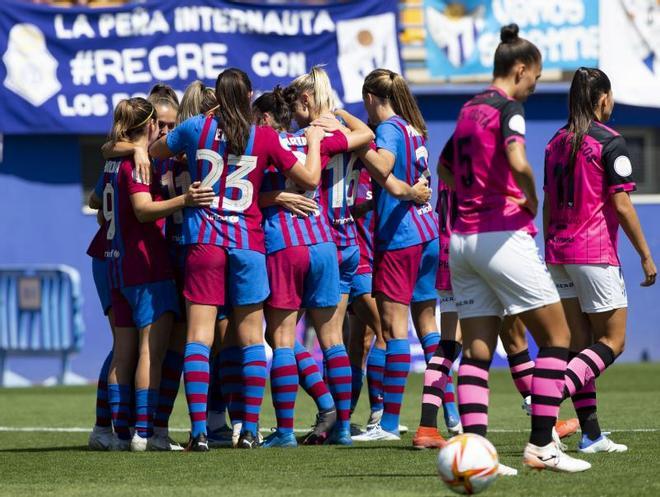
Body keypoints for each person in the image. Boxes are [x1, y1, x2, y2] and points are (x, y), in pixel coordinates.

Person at [440, 24, 593, 473]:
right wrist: (528, 195)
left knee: (478, 350)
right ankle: (542, 446)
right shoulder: (508, 108)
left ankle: (476, 456)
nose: (535, 85)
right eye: (536, 77)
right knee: (558, 336)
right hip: (501, 235)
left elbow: (446, 166)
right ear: (520, 69)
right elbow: (518, 160)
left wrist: (472, 198)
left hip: (461, 241)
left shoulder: (469, 109)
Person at [149, 68, 325, 450]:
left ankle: (199, 433)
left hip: (204, 241)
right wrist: (312, 142)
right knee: (249, 340)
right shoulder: (263, 135)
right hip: (248, 243)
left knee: (198, 337)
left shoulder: (195, 127)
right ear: (248, 99)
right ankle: (249, 428)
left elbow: (155, 151)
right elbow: (310, 180)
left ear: (217, 97)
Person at [89, 97, 214, 451]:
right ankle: (145, 433)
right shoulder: (135, 162)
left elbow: (97, 206)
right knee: (150, 353)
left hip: (117, 265)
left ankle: (118, 434)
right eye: (160, 125)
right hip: (145, 264)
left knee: (123, 353)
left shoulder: (116, 161)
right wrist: (185, 200)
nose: (166, 131)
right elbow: (143, 210)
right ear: (148, 126)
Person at [544, 67, 656, 453]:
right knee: (613, 340)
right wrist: (645, 255)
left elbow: (547, 203)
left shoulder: (555, 142)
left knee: (581, 346)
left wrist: (548, 249)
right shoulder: (609, 141)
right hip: (593, 253)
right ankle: (549, 394)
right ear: (603, 98)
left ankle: (591, 435)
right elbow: (622, 205)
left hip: (558, 251)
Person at [255, 81, 373, 446]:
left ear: (263, 117)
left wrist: (273, 195)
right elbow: (365, 134)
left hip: (284, 245)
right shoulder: (314, 139)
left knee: (283, 340)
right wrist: (332, 118)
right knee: (333, 339)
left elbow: (239, 192)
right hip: (323, 242)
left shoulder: (261, 143)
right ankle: (341, 428)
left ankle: (286, 432)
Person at [352, 67, 439, 442]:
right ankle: (446, 410)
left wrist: (358, 143)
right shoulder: (412, 127)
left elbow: (383, 166)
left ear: (372, 97)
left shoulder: (387, 129)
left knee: (393, 330)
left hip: (401, 237)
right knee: (429, 329)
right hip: (428, 234)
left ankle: (387, 424)